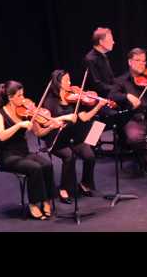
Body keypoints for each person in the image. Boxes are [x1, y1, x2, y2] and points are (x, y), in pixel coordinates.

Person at [0, 80, 59, 220]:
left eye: (23, 95)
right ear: (10, 98)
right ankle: (34, 203)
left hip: (24, 153)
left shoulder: (26, 112)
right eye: (19, 96)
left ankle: (46, 199)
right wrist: (19, 125)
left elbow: (39, 133)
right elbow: (1, 136)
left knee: (47, 164)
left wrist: (51, 126)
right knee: (34, 168)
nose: (23, 99)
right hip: (8, 156)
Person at [42, 70, 107, 204]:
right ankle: (64, 189)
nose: (70, 83)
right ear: (58, 83)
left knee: (89, 155)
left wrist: (98, 107)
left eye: (69, 79)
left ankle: (84, 183)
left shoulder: (72, 98)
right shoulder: (50, 101)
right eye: (66, 80)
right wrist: (64, 117)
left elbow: (83, 118)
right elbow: (47, 121)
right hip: (56, 138)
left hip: (73, 135)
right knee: (69, 156)